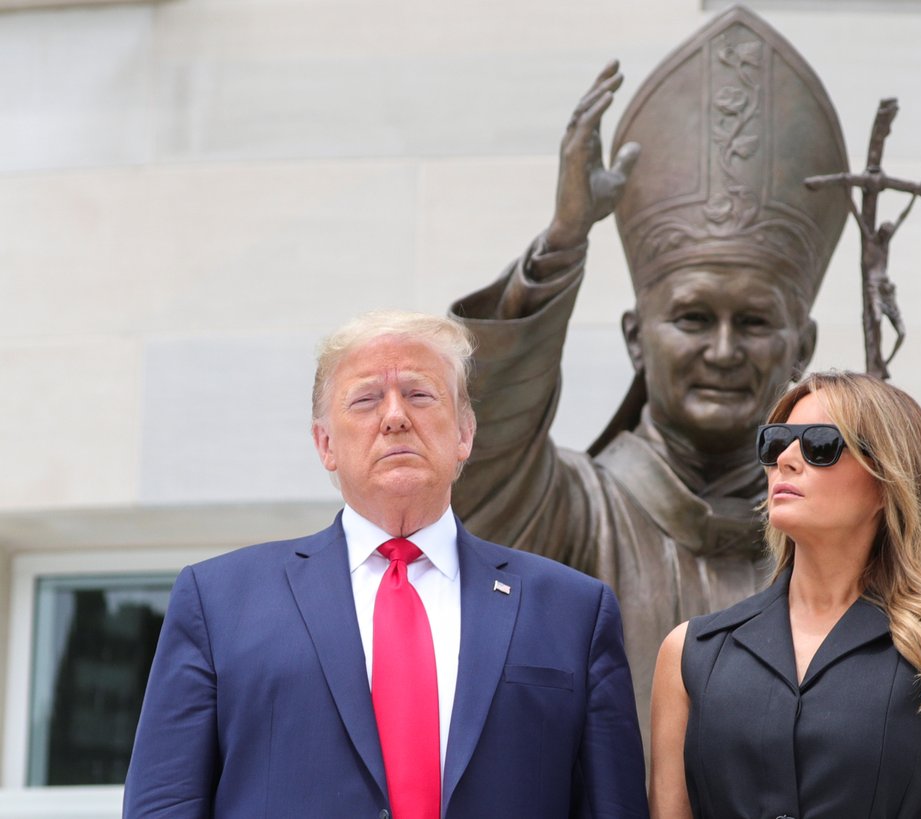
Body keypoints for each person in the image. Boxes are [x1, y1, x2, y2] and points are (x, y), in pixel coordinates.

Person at [450, 8, 921, 818]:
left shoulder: (908, 588)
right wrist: (561, 249)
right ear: (634, 337)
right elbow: (475, 463)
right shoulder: (574, 511)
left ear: (801, 343)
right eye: (692, 318)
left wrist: (911, 471)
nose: (723, 349)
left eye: (753, 322)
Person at [122, 311, 649, 819]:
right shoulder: (219, 603)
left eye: (419, 394)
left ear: (464, 434)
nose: (395, 416)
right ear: (325, 443)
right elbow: (164, 803)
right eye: (366, 399)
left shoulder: (572, 611)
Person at [649, 371, 921, 818]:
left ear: (885, 482)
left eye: (820, 445)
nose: (787, 459)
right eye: (776, 442)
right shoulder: (692, 651)